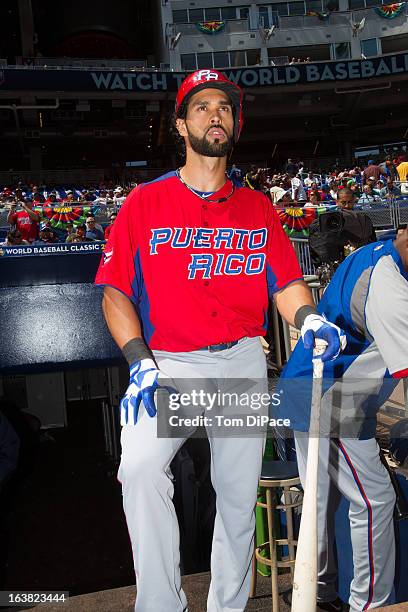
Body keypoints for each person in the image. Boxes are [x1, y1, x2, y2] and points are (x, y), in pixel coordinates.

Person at [95, 69, 344, 612]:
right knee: (138, 469)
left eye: (225, 108)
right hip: (169, 367)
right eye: (202, 107)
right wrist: (139, 360)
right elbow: (114, 291)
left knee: (236, 500)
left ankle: (226, 606)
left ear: (236, 123)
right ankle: (161, 602)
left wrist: (308, 318)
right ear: (181, 124)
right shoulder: (144, 202)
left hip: (238, 362)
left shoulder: (258, 208)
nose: (216, 115)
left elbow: (286, 282)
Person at [275, 229, 408, 611]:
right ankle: (370, 604)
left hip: (310, 385)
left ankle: (319, 593)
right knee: (375, 500)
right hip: (332, 397)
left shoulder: (378, 252)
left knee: (321, 499)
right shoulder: (388, 284)